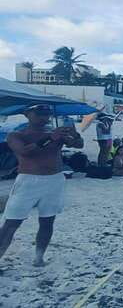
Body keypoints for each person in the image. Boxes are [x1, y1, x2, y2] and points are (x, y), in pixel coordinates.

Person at [0, 104, 83, 267]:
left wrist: (75, 134)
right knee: (12, 222)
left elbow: (78, 145)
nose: (44, 116)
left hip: (54, 180)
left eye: (47, 113)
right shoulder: (17, 134)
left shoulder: (54, 133)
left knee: (47, 221)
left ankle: (39, 257)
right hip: (28, 181)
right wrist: (50, 138)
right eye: (39, 113)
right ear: (27, 114)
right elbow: (24, 151)